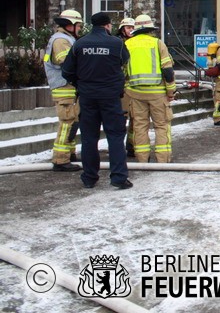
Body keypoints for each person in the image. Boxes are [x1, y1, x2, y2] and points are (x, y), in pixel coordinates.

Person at [61, 12, 132, 189]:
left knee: (89, 138)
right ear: (107, 25)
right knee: (115, 136)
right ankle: (118, 178)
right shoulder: (116, 43)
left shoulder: (80, 43)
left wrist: (81, 84)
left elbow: (67, 71)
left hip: (87, 97)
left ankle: (89, 177)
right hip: (110, 97)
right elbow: (125, 60)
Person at [124, 14, 176, 163]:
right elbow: (167, 70)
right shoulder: (157, 43)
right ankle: (163, 159)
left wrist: (127, 88)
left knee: (140, 126)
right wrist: (170, 92)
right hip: (157, 93)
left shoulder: (127, 44)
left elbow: (122, 71)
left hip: (135, 93)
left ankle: (142, 159)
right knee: (162, 125)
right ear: (150, 29)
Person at [44, 9, 83, 171]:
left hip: (69, 87)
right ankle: (60, 160)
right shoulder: (61, 40)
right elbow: (67, 63)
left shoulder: (67, 39)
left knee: (73, 121)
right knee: (67, 123)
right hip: (64, 88)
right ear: (70, 25)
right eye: (79, 25)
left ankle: (69, 153)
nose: (80, 29)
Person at [116, 17, 136, 157]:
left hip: (135, 87)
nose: (131, 30)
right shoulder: (118, 44)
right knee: (121, 118)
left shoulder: (137, 43)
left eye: (132, 27)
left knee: (136, 119)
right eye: (128, 28)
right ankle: (118, 146)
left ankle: (132, 145)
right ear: (122, 30)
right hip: (122, 88)